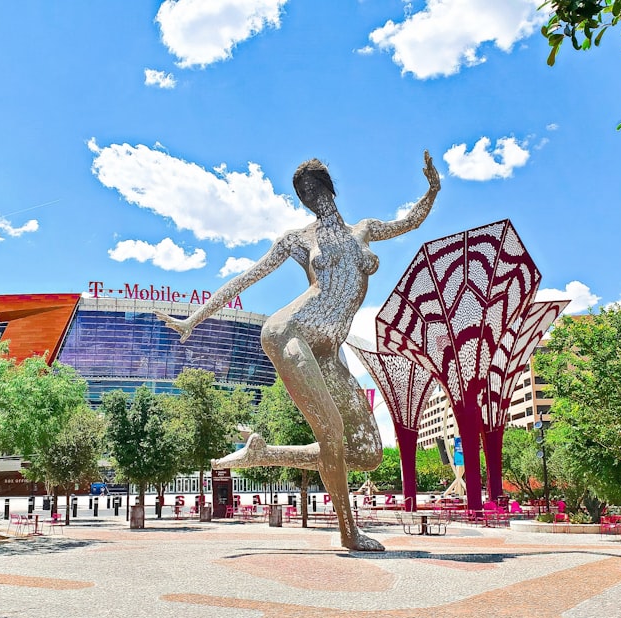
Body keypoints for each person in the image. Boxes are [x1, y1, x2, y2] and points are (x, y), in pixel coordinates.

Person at [158, 152, 439, 551]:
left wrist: (432, 190)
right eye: (300, 192)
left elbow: (410, 222)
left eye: (311, 188)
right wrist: (194, 320)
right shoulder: (298, 239)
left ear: (328, 187)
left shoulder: (365, 229)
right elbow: (247, 277)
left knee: (366, 452)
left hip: (328, 350)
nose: (307, 197)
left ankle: (264, 453)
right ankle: (348, 532)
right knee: (332, 433)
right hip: (290, 331)